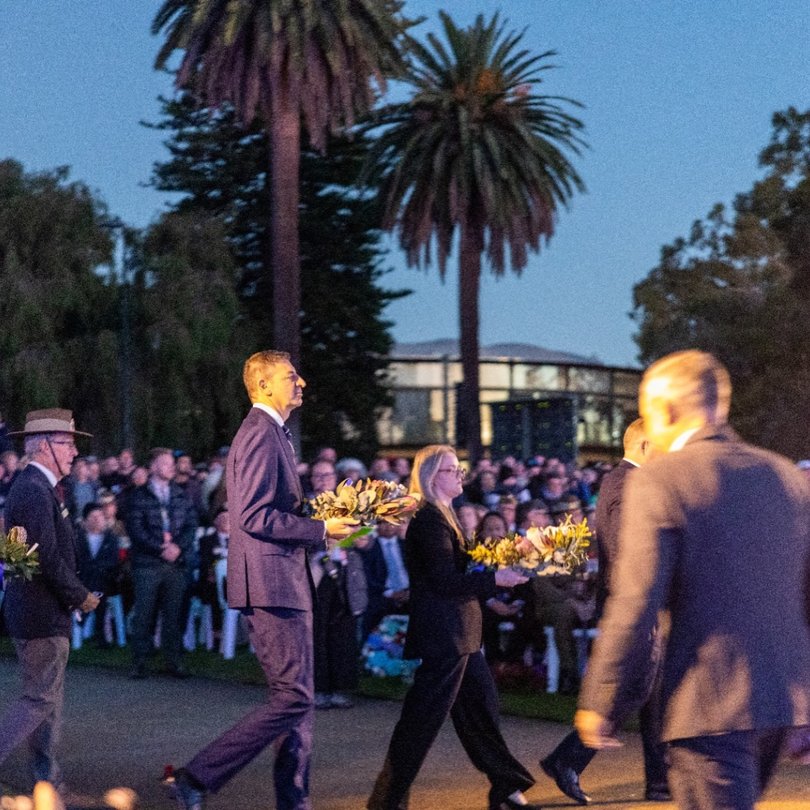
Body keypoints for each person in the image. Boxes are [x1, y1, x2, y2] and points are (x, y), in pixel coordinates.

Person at [575, 350, 810, 810]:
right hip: (779, 700)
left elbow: (636, 601)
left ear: (664, 409)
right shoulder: (785, 475)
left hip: (708, 702)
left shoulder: (662, 479)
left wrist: (602, 697)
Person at [168, 350, 357, 810]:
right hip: (271, 585)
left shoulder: (273, 432)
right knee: (293, 698)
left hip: (281, 581)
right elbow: (252, 515)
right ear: (264, 385)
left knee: (299, 701)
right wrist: (318, 530)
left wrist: (325, 519)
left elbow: (275, 510)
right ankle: (196, 776)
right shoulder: (260, 432)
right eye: (292, 376)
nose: (302, 383)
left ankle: (294, 799)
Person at [367, 444, 540, 810]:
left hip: (460, 633)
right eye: (452, 469)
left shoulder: (445, 514)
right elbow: (445, 581)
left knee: (482, 710)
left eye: (459, 469)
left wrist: (507, 555)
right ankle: (387, 800)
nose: (460, 474)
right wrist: (498, 580)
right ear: (432, 477)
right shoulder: (429, 519)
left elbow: (464, 565)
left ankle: (506, 785)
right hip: (445, 635)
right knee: (421, 722)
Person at [540, 418, 668, 805]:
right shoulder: (628, 484)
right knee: (633, 689)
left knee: (655, 694)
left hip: (641, 604)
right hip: (634, 605)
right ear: (645, 445)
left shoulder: (624, 482)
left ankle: (660, 783)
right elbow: (626, 547)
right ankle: (566, 759)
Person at [0, 409, 100, 793]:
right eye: (68, 443)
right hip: (41, 615)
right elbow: (42, 559)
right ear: (44, 447)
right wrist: (81, 597)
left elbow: (18, 558)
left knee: (45, 701)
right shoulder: (33, 490)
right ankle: (45, 778)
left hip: (35, 612)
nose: (75, 451)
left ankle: (46, 779)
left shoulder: (32, 488)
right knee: (40, 699)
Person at [126, 448, 197, 679]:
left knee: (173, 614)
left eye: (171, 463)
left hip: (175, 564)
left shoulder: (181, 494)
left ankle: (174, 661)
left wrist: (177, 547)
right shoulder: (139, 496)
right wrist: (160, 548)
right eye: (166, 463)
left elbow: (190, 525)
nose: (171, 467)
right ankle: (140, 661)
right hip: (147, 564)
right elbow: (136, 530)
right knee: (144, 614)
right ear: (154, 466)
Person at [75, 502, 123, 648]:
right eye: (93, 517)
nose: (97, 520)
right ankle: (99, 633)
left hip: (104, 580)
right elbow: (76, 561)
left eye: (100, 516)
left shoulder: (111, 539)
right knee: (95, 586)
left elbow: (113, 561)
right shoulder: (78, 538)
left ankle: (84, 619)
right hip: (82, 580)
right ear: (85, 519)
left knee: (99, 585)